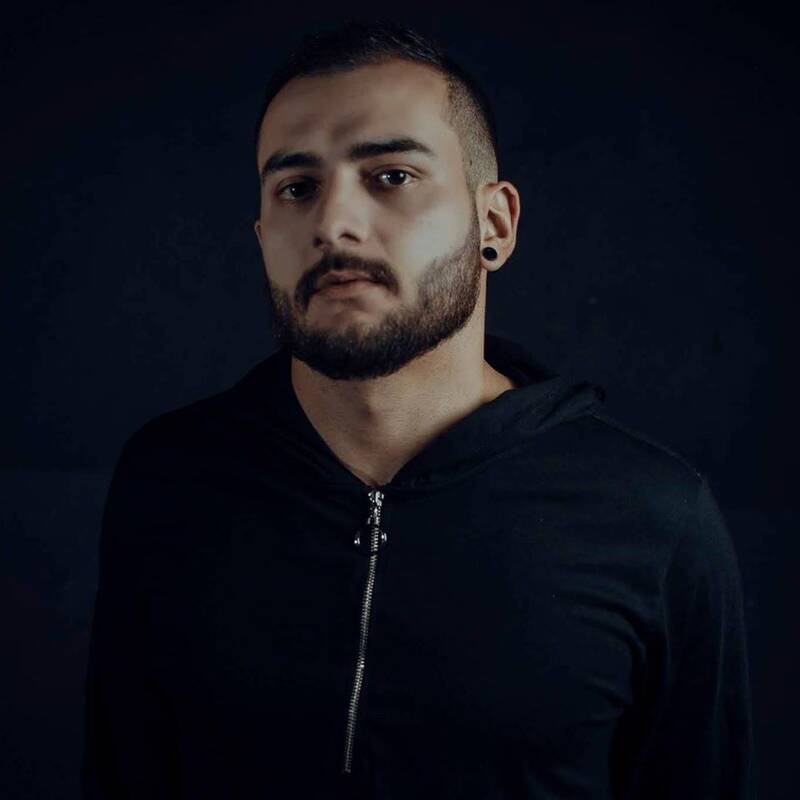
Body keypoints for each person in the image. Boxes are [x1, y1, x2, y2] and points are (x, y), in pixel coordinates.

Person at [81, 19, 756, 799]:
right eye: (297, 188)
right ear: (263, 236)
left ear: (494, 224)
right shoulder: (171, 481)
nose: (333, 224)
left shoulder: (653, 521)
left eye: (391, 176)